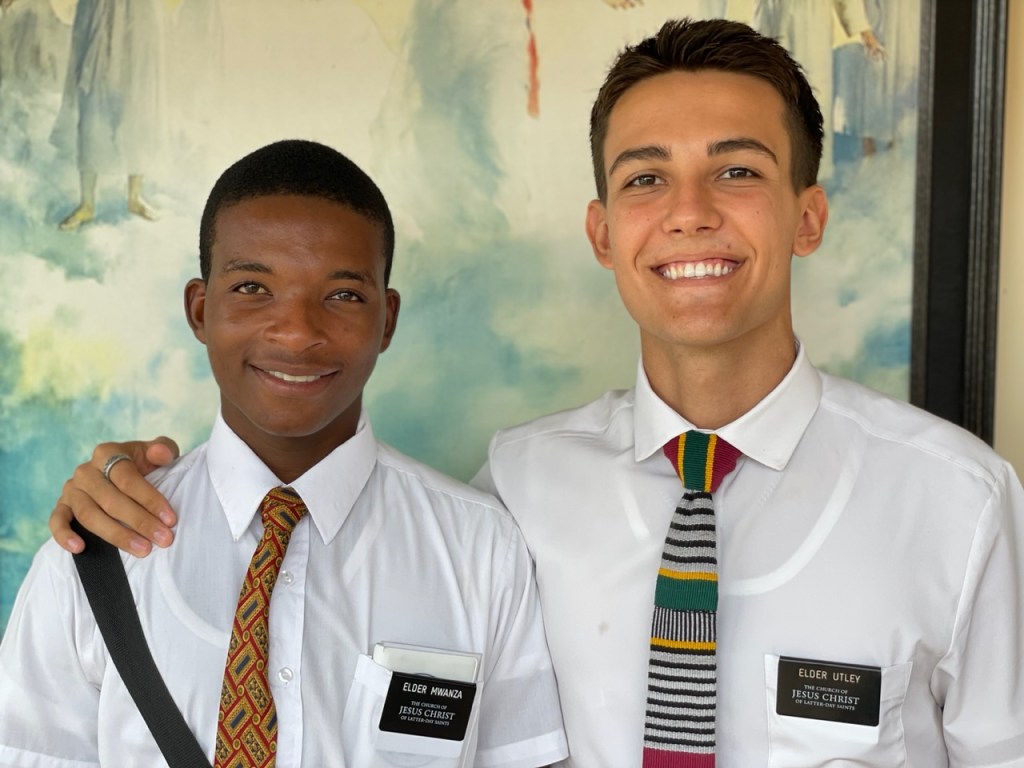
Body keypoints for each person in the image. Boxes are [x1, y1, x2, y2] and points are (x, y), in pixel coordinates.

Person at [46, 18, 1024, 767]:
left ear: (807, 216)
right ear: (602, 233)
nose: (688, 214)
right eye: (646, 179)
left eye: (735, 170)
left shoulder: (957, 502)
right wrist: (121, 483)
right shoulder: (515, 491)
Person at [0, 139, 568, 767]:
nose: (297, 333)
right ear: (199, 310)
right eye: (252, 287)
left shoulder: (480, 550)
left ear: (387, 320)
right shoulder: (93, 555)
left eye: (343, 295)